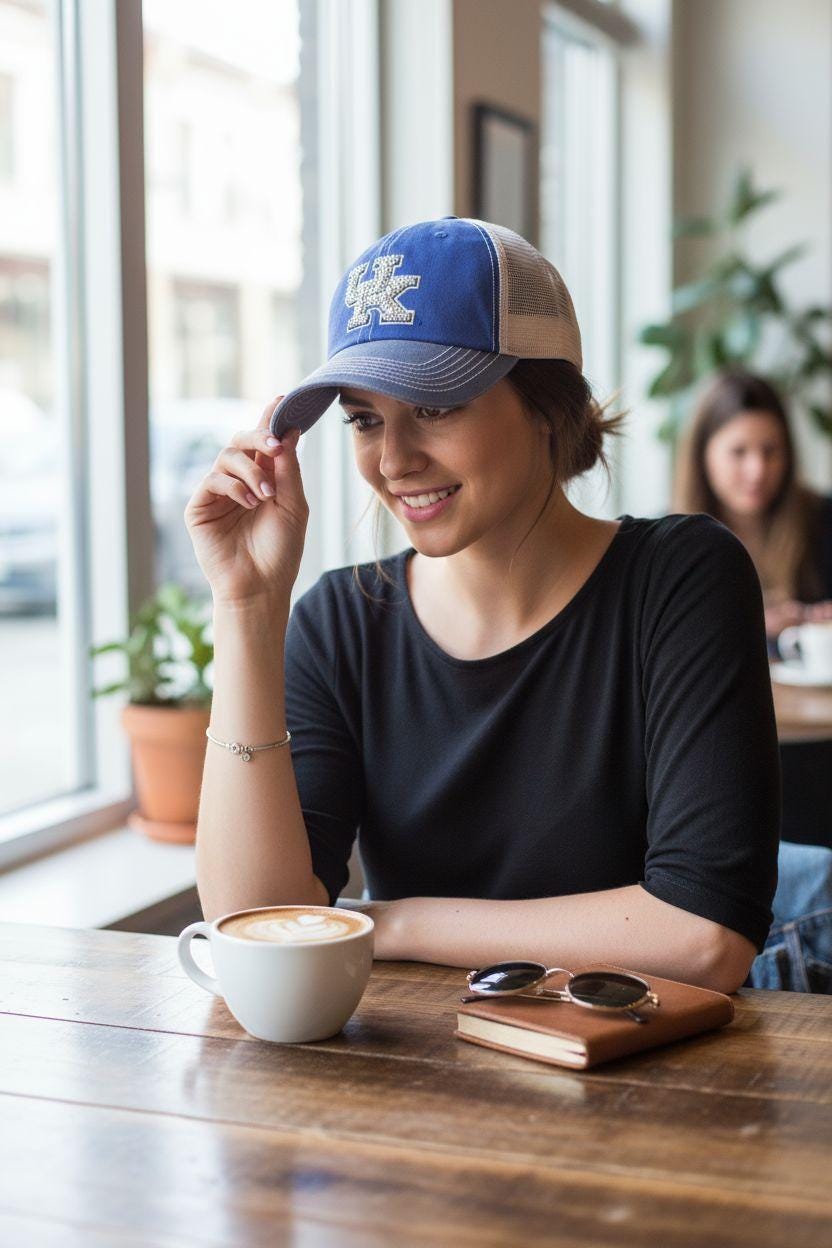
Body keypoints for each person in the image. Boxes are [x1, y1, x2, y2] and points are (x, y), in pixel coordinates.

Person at [185, 216, 780, 996]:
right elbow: (255, 924)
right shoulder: (342, 621)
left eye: (434, 408)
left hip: (644, 1089)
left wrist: (389, 923)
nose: (393, 460)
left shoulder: (680, 579)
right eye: (365, 419)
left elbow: (706, 936)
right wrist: (248, 608)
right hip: (417, 1085)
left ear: (547, 405)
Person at [673, 368, 832, 652]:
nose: (757, 471)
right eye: (739, 452)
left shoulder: (823, 519)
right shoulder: (669, 543)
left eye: (770, 450)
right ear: (703, 455)